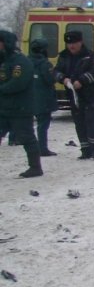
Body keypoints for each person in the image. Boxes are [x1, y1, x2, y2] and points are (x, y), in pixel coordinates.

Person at [54, 30, 94, 159]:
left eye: (74, 43)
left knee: (91, 122)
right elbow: (56, 71)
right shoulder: (63, 56)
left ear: (80, 42)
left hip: (90, 94)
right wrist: (63, 79)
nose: (71, 46)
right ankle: (85, 150)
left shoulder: (90, 55)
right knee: (79, 123)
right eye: (69, 43)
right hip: (74, 95)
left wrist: (82, 81)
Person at [0, 29, 42, 177]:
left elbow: (18, 83)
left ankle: (35, 168)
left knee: (26, 137)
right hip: (4, 108)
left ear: (6, 43)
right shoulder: (4, 60)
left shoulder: (21, 62)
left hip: (20, 108)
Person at [29, 38, 58, 156]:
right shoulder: (45, 64)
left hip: (29, 98)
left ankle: (30, 146)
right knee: (43, 125)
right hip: (44, 99)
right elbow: (50, 79)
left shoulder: (26, 62)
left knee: (27, 125)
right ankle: (42, 148)